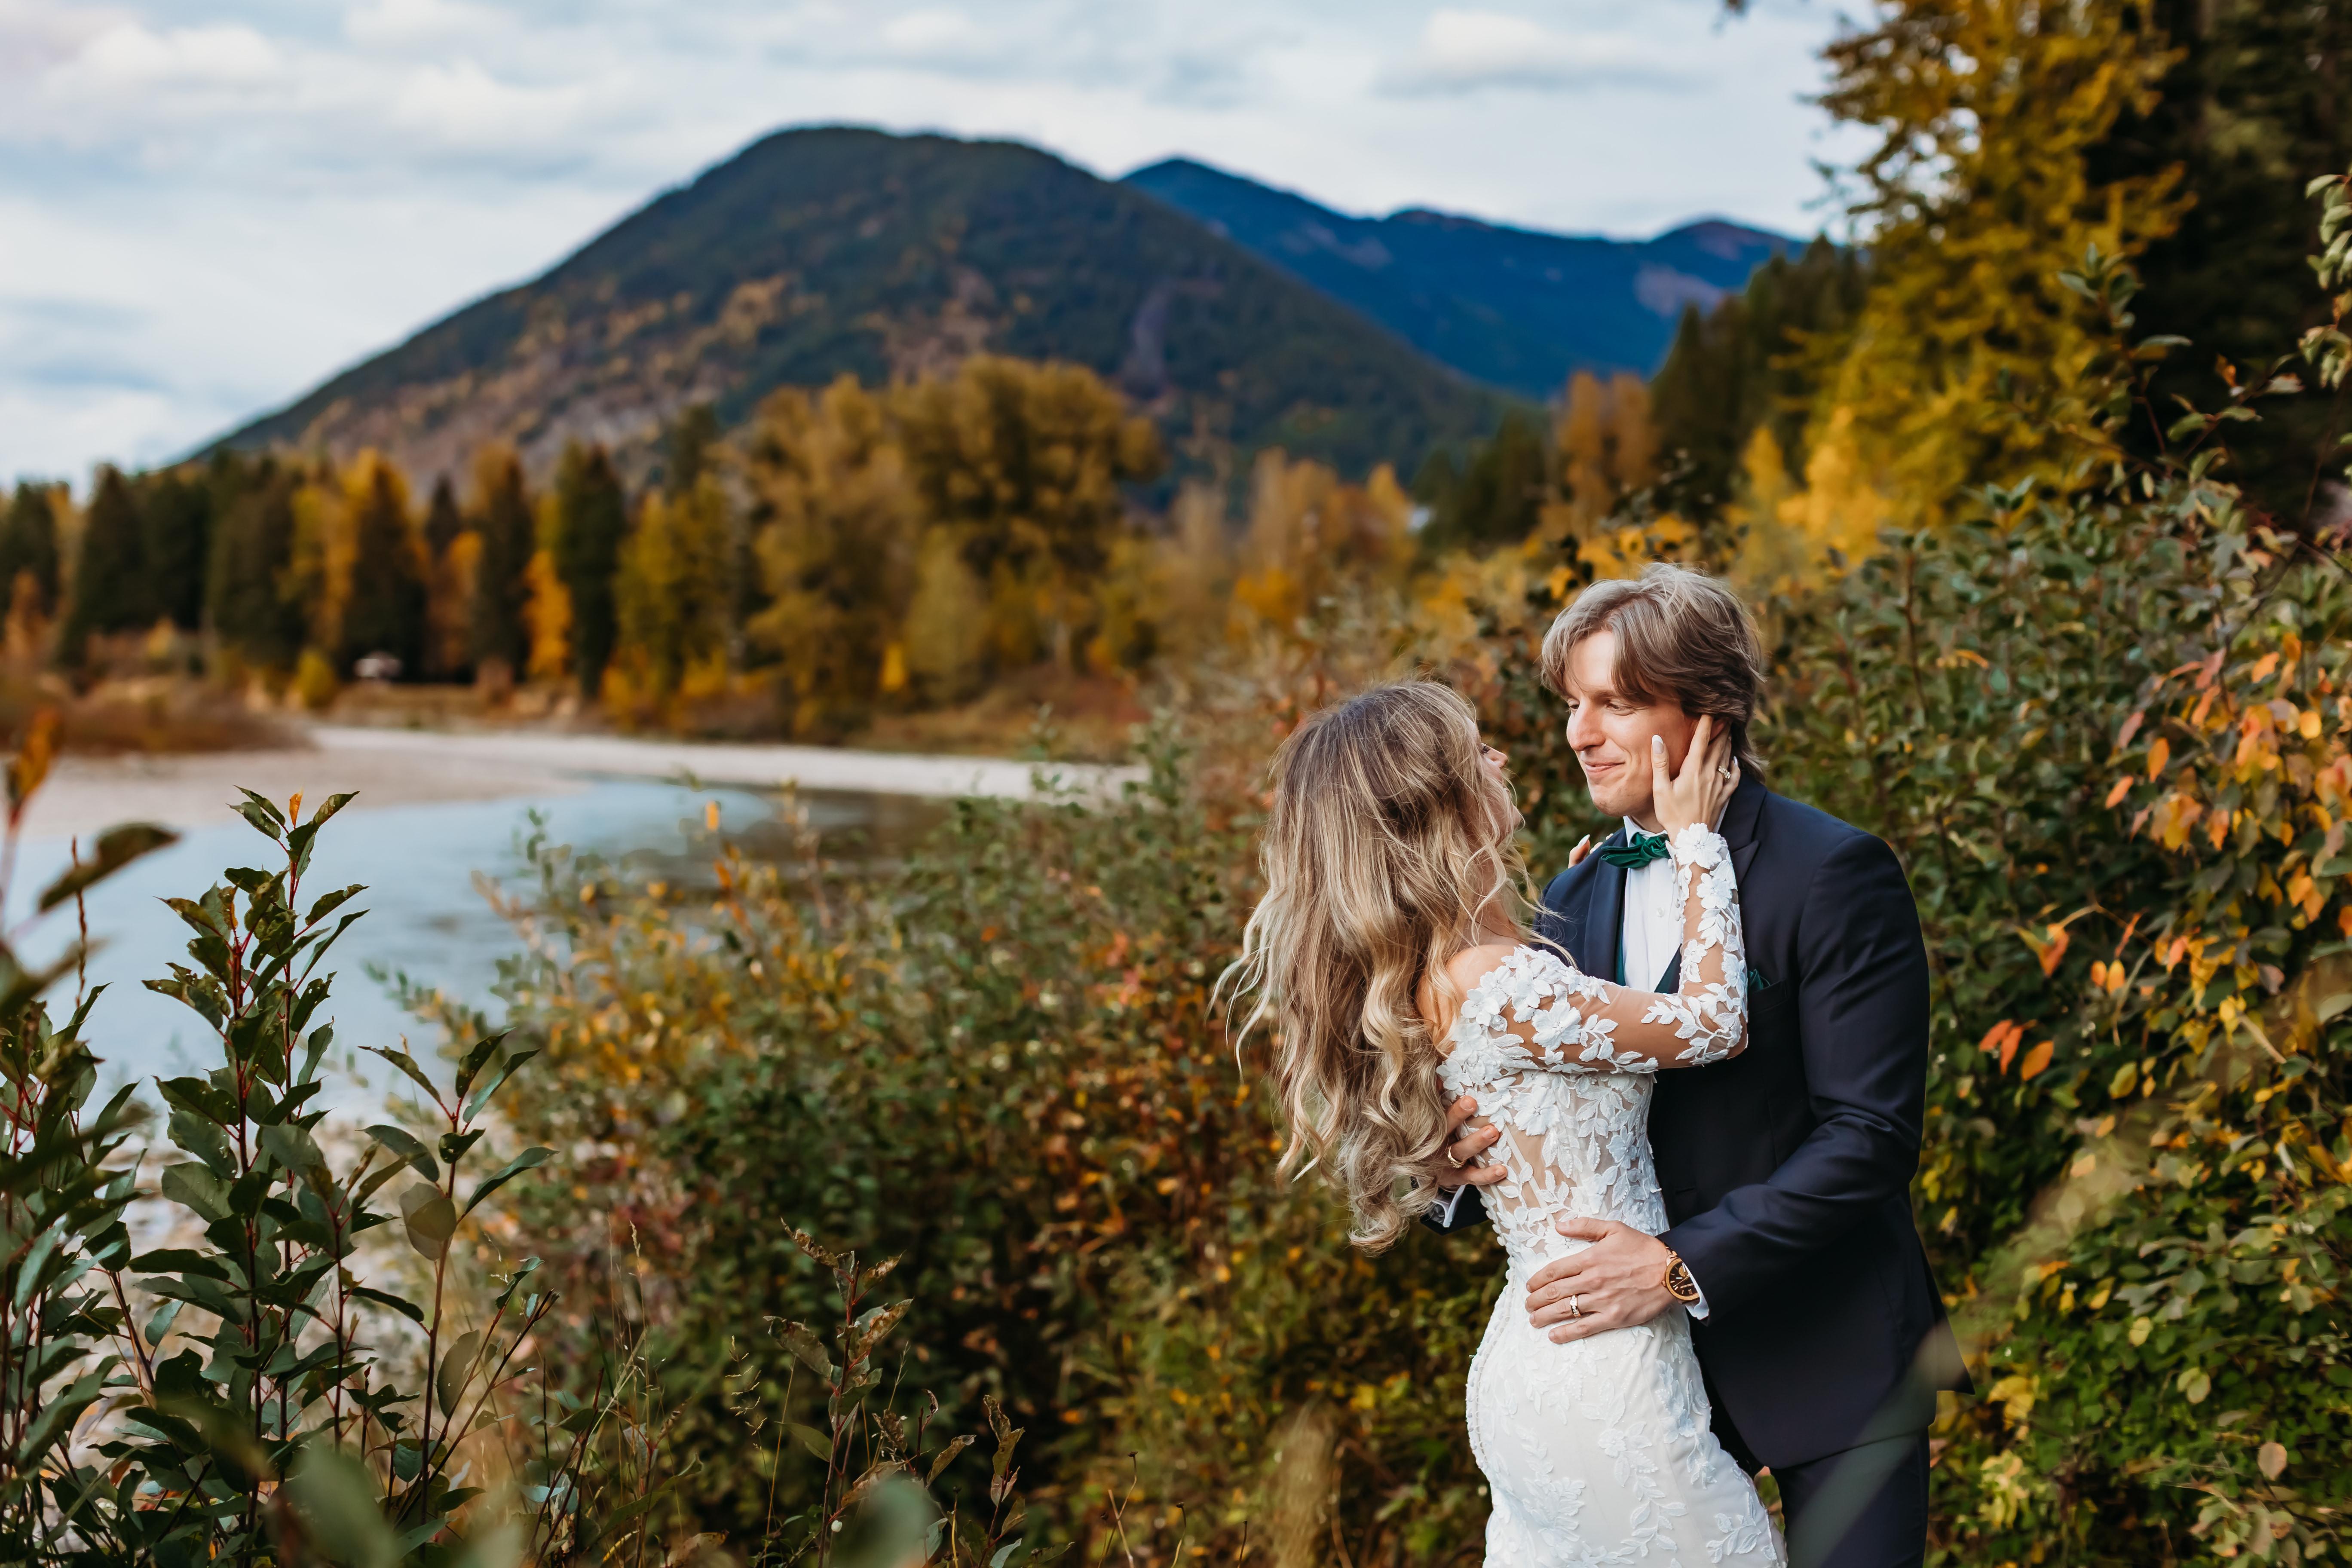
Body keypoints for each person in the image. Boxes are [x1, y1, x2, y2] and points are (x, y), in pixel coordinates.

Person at [1429, 564, 1966, 1568]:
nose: (1580, 734)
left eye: (1615, 704)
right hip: (1640, 1388)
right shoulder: (1570, 897)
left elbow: (1871, 1138)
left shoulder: (1832, 873)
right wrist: (1451, 1169)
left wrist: (1679, 1266)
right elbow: (1547, 1099)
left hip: (1831, 1360)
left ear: (1707, 713)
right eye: (1573, 704)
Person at [1230, 677, 1784, 1565]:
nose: (1500, 759)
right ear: (1438, 806)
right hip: (1602, 1368)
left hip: (1542, 1357)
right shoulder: (1498, 982)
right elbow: (1717, 1023)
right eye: (1475, 753)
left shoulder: (1452, 971)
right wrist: (1695, 844)